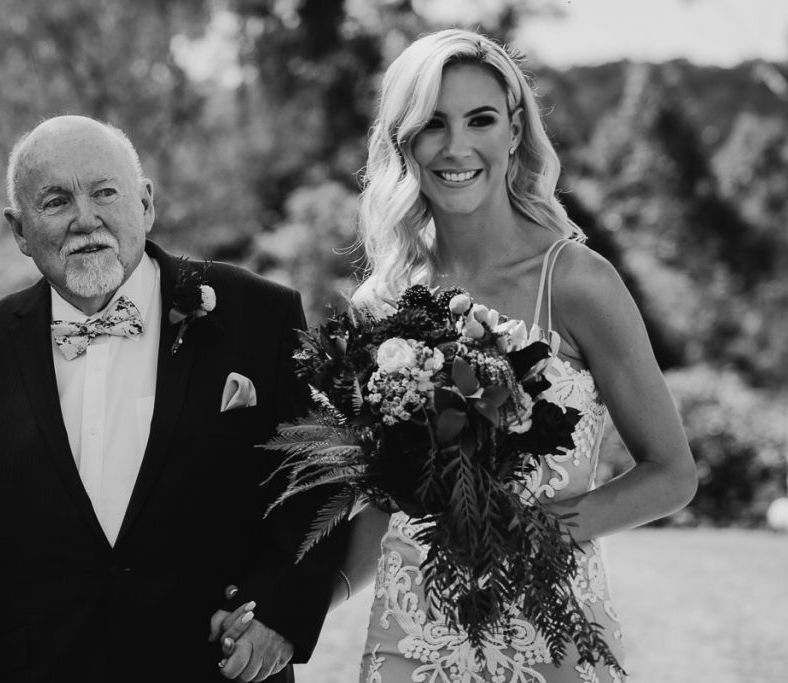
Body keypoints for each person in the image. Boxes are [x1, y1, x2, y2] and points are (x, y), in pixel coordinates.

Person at [218, 28, 698, 682]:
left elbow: (671, 473)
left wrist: (532, 532)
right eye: (432, 124)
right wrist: (287, 613)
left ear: (515, 130)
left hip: (550, 636)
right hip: (409, 641)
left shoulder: (577, 282)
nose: (456, 146)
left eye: (480, 120)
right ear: (404, 141)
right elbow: (385, 504)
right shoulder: (381, 303)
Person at [0, 115, 343, 682]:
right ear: (19, 230)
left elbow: (318, 481)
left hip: (215, 669)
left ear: (145, 203)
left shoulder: (261, 315)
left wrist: (280, 614)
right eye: (56, 201)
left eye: (105, 193)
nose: (85, 219)